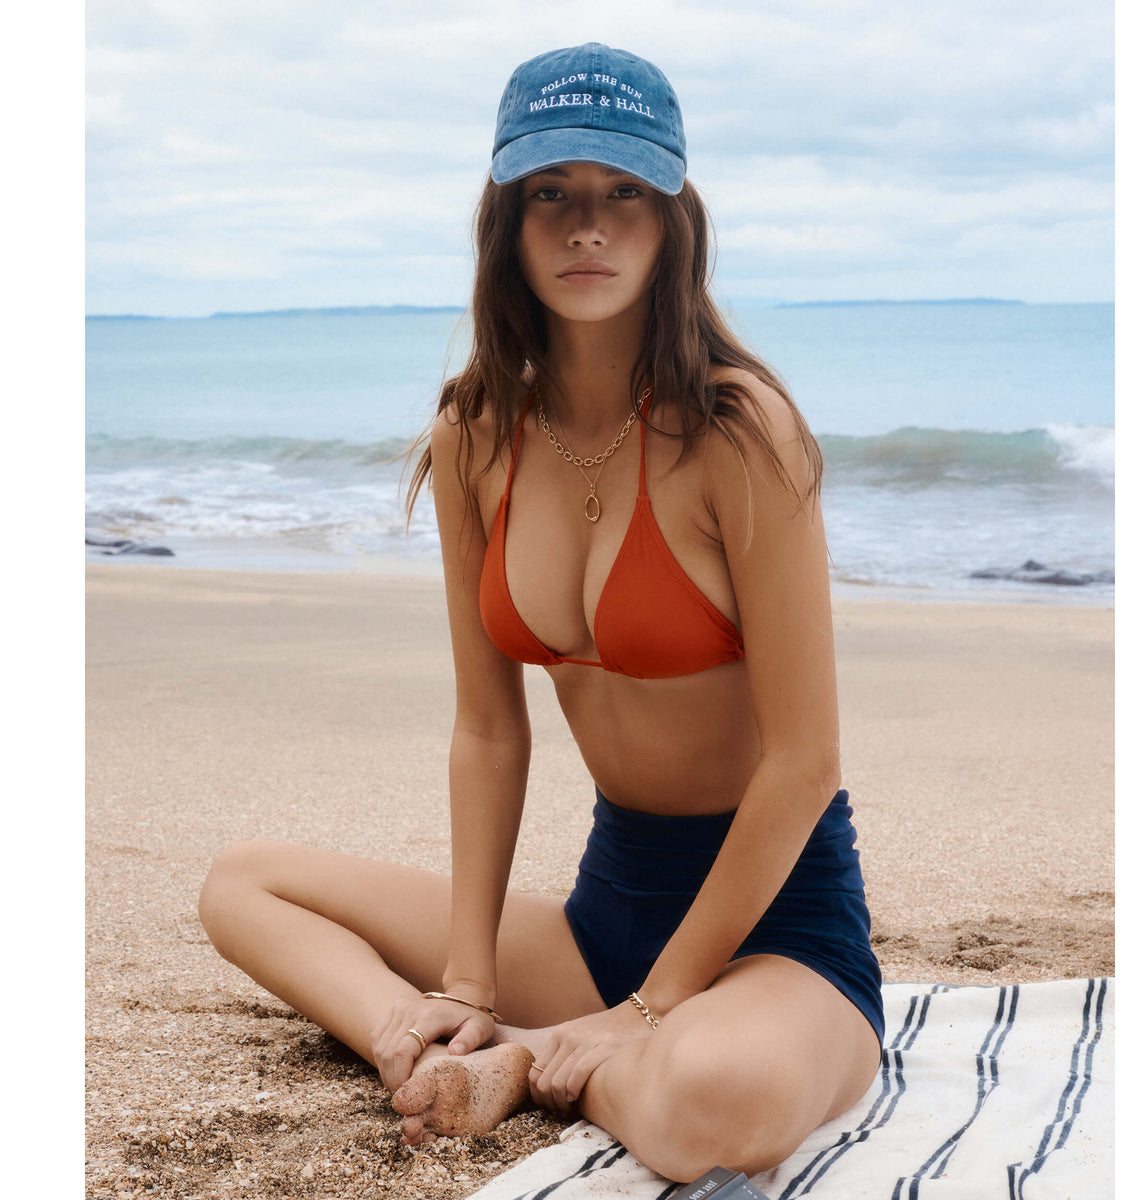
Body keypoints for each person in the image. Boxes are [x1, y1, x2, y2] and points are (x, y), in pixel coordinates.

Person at [198, 43, 883, 1183]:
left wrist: (650, 1009)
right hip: (603, 916)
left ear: (673, 222)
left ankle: (541, 1061)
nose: (588, 227)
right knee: (244, 884)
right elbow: (488, 728)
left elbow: (806, 762)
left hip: (777, 932)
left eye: (623, 193)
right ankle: (420, 1043)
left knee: (716, 1102)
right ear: (506, 224)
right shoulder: (476, 433)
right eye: (550, 195)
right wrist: (461, 986)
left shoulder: (739, 431)